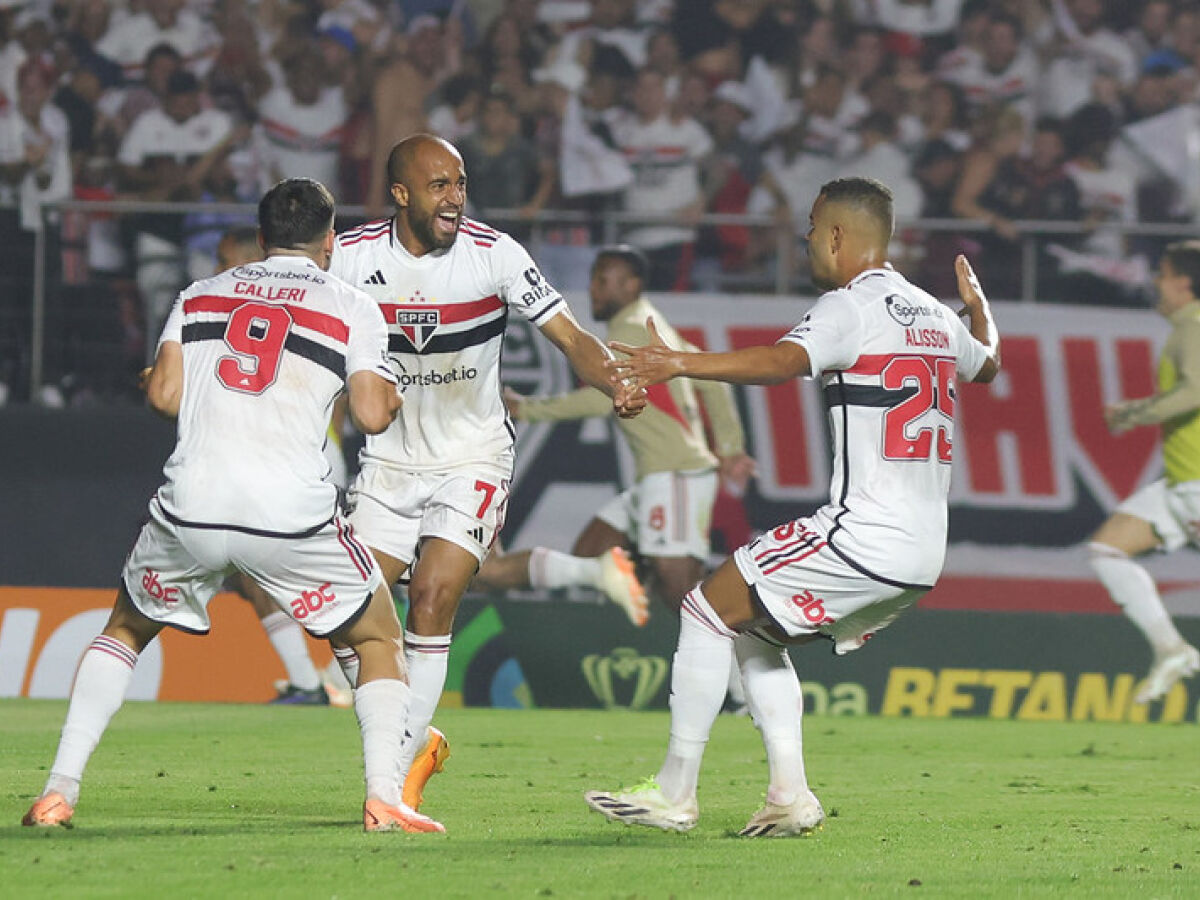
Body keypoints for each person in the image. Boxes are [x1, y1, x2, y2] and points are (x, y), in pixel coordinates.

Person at [22, 178, 442, 835]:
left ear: (263, 233)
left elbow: (163, 396)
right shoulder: (352, 305)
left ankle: (58, 791)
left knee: (126, 630)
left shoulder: (200, 294)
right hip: (288, 512)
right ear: (330, 240)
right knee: (377, 638)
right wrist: (392, 396)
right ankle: (383, 796)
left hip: (192, 506)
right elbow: (370, 413)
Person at [585, 177, 1000, 837]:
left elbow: (782, 362)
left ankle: (674, 792)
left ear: (837, 235)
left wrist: (679, 363)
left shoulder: (851, 306)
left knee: (702, 606)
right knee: (751, 628)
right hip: (923, 553)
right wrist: (978, 307)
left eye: (811, 227)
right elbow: (990, 365)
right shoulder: (934, 314)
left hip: (860, 534)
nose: (806, 239)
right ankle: (789, 794)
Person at [328, 134, 644, 810]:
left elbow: (571, 335)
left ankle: (392, 783)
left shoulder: (493, 253)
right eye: (439, 185)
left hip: (472, 455)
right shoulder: (350, 259)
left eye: (461, 182)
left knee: (435, 594)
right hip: (387, 462)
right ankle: (413, 741)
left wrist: (613, 381)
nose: (455, 196)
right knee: (342, 612)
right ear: (402, 193)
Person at [479, 244, 752, 630]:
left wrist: (528, 408)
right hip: (661, 476)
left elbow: (600, 396)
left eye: (603, 281)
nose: (593, 289)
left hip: (676, 475)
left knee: (679, 590)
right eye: (594, 279)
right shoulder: (652, 322)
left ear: (632, 284)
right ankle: (649, 641)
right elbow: (713, 384)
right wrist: (729, 447)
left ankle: (740, 670)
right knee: (592, 553)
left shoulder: (631, 328)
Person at [1087, 241, 1200, 704]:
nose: (1156, 280)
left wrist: (1134, 414)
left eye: (1163, 272)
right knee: (1107, 549)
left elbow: (1195, 391)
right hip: (1179, 483)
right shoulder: (1184, 328)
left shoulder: (1194, 327)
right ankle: (1171, 649)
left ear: (1184, 282)